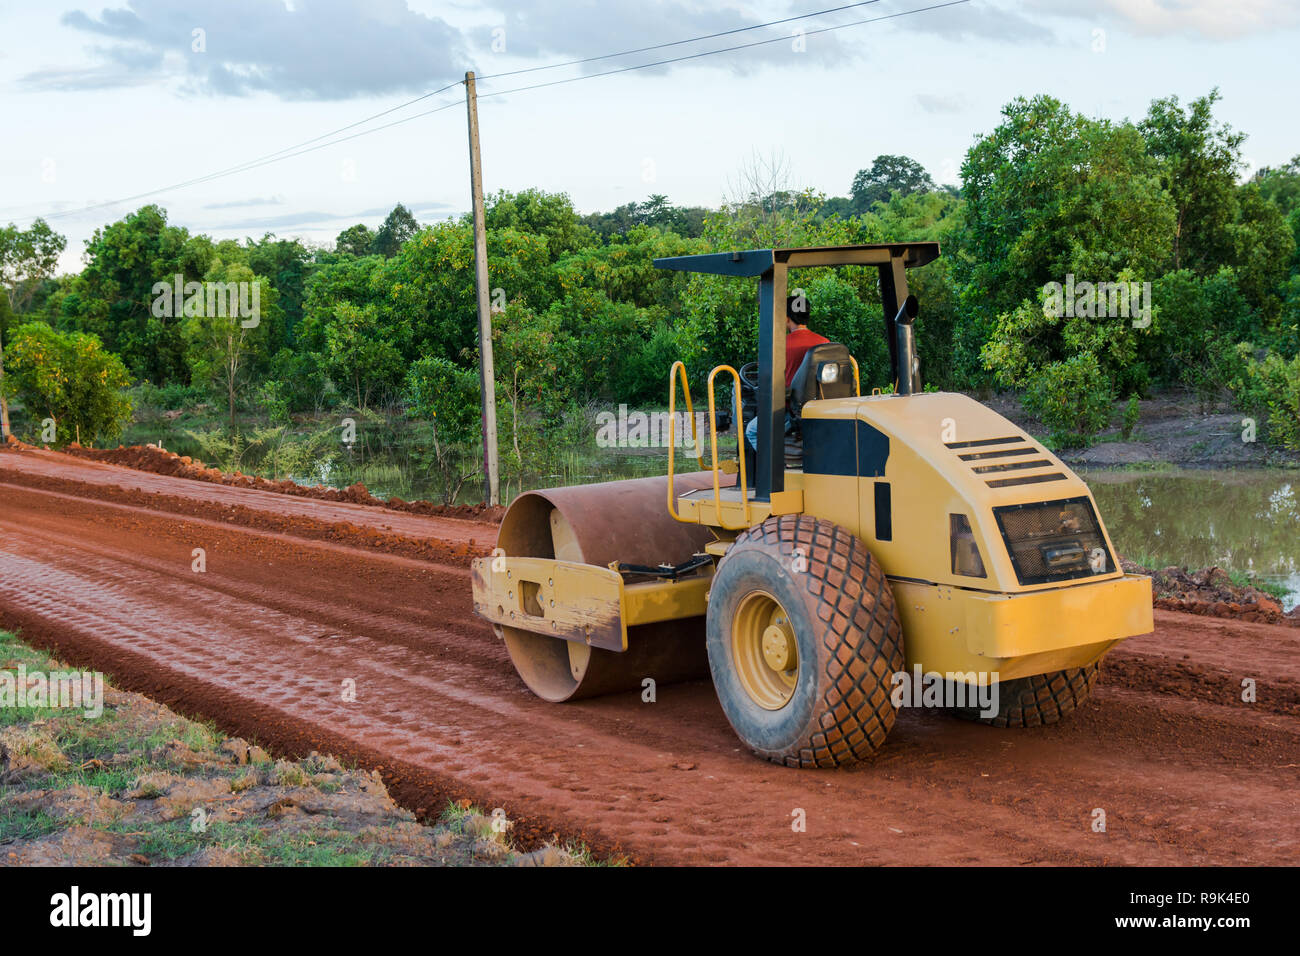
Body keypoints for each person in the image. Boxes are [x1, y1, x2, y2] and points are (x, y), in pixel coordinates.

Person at [745, 293, 829, 451]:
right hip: (820, 407)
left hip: (790, 410)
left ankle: (775, 470)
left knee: (752, 431)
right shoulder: (824, 343)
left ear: (787, 317)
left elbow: (770, 380)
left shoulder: (779, 345)